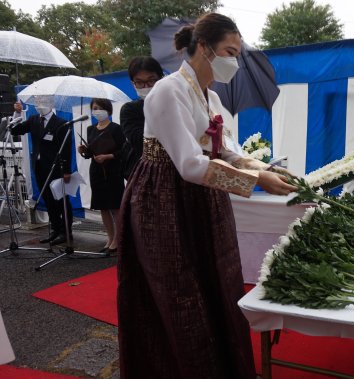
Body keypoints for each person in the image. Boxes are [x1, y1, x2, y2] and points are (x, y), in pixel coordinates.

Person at [116, 13, 297, 379]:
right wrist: (256, 180)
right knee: (178, 291)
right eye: (229, 51)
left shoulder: (210, 96)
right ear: (203, 47)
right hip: (163, 199)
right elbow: (188, 164)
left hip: (204, 198)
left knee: (217, 280)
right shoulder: (168, 91)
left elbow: (225, 149)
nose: (235, 60)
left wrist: (264, 168)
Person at [11, 97, 73, 245]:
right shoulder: (33, 120)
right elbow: (15, 131)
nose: (40, 105)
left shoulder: (61, 123)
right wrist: (17, 114)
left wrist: (66, 171)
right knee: (48, 199)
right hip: (39, 167)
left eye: (43, 102)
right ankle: (56, 229)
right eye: (38, 102)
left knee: (61, 200)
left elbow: (66, 149)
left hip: (56, 168)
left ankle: (66, 231)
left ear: (51, 104)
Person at [78, 99, 125, 253]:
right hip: (97, 171)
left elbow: (123, 151)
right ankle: (110, 238)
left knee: (115, 207)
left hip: (113, 171)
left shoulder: (116, 129)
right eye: (94, 108)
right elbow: (90, 153)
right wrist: (84, 151)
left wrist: (108, 156)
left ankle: (119, 239)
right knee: (103, 207)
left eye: (100, 108)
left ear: (108, 110)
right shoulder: (91, 129)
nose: (97, 111)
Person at [119, 57, 164, 180]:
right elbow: (139, 141)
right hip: (145, 176)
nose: (145, 86)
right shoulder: (129, 110)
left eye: (151, 80)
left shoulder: (174, 104)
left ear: (162, 79)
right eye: (139, 82)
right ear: (133, 84)